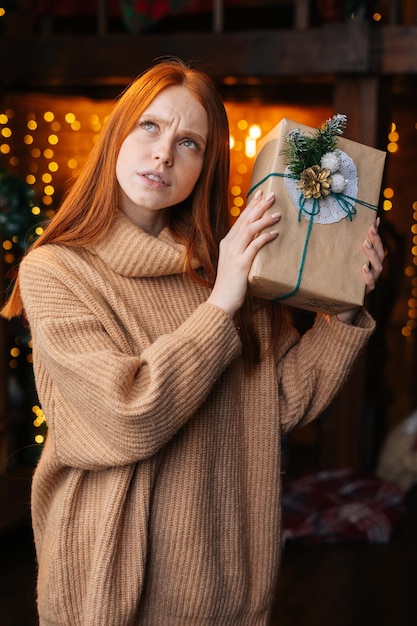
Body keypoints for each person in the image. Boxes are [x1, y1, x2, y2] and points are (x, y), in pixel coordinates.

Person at [1, 57, 384, 625]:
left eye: (190, 143)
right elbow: (125, 415)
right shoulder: (57, 271)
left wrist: (345, 310)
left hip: (223, 577)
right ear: (117, 136)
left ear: (206, 167)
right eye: (149, 127)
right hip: (110, 589)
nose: (163, 153)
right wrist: (221, 303)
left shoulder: (227, 266)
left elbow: (278, 402)